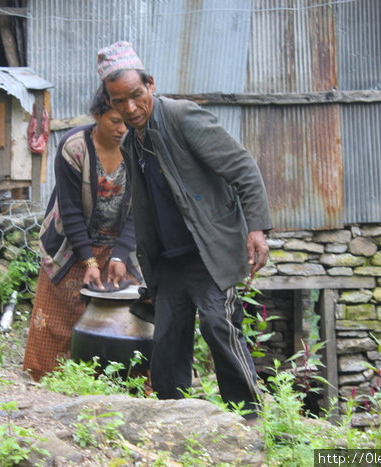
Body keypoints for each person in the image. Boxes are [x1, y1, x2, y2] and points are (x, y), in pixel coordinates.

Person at [97, 41, 274, 422]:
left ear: (151, 85)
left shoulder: (182, 117)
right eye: (118, 101)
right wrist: (133, 256)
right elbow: (142, 205)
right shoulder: (132, 142)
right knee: (167, 339)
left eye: (136, 95)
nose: (129, 108)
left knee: (217, 324)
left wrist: (257, 228)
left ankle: (249, 418)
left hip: (210, 250)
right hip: (171, 259)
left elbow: (242, 166)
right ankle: (173, 419)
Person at [23, 85, 142, 381]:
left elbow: (140, 207)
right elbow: (70, 210)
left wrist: (121, 254)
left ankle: (117, 388)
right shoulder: (74, 147)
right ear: (97, 116)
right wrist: (89, 261)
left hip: (118, 248)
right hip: (70, 245)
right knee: (56, 322)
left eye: (126, 121)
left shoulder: (139, 146)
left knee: (126, 320)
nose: (122, 128)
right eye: (114, 121)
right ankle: (47, 386)